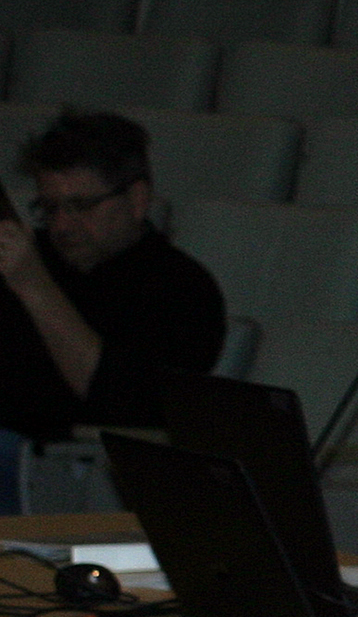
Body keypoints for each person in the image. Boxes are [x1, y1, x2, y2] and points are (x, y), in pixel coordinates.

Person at [0, 111, 225, 510]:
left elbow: (119, 405)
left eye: (81, 206)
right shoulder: (34, 257)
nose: (62, 226)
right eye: (49, 208)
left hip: (67, 472)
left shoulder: (182, 290)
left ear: (137, 199)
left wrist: (33, 286)